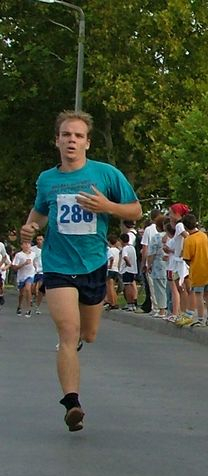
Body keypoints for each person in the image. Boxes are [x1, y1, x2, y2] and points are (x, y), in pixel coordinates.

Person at [21, 110, 141, 431]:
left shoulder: (105, 174)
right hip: (58, 266)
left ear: (87, 142)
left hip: (93, 265)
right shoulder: (47, 179)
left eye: (77, 136)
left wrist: (108, 208)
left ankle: (73, 345)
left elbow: (135, 210)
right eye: (66, 135)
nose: (71, 140)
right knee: (68, 332)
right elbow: (39, 213)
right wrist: (30, 228)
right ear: (57, 141)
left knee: (88, 334)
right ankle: (72, 403)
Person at [180, 214, 208, 327]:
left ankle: (200, 318)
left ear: (185, 227)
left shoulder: (188, 240)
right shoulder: (204, 235)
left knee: (198, 294)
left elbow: (187, 258)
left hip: (197, 270)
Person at [12, 239, 36, 317]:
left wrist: (36, 269)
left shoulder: (33, 254)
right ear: (21, 246)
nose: (26, 246)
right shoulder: (19, 255)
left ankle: (28, 309)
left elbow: (34, 262)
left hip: (30, 274)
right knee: (21, 293)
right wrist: (24, 264)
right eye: (24, 244)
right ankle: (19, 306)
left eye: (28, 244)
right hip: (21, 276)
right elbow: (15, 267)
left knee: (28, 289)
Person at [119, 232, 138, 311]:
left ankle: (129, 303)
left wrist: (128, 263)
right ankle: (133, 303)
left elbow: (125, 256)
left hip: (127, 269)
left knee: (127, 286)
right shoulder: (132, 248)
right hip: (133, 270)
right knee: (131, 285)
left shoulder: (125, 248)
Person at [32, 235, 45, 314]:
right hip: (34, 271)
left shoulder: (47, 249)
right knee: (32, 288)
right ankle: (33, 296)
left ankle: (37, 306)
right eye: (37, 239)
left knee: (39, 289)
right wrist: (34, 267)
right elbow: (30, 258)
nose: (39, 241)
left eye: (40, 239)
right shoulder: (33, 249)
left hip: (43, 271)